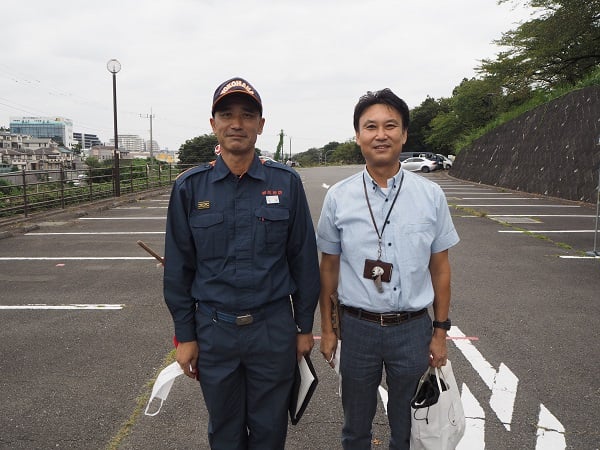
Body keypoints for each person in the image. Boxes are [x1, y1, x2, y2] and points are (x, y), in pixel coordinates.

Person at [163, 77, 320, 449]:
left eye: (248, 115)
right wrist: (185, 335)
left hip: (273, 329)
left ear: (260, 125)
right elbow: (178, 269)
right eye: (227, 114)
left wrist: (304, 328)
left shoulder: (286, 184)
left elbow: (304, 262)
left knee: (269, 432)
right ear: (213, 123)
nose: (237, 123)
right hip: (215, 332)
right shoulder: (190, 187)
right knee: (225, 431)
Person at [317, 88, 460, 449]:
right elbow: (328, 268)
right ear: (358, 135)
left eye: (390, 126)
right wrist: (328, 329)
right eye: (371, 126)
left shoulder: (431, 196)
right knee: (355, 429)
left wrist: (440, 332)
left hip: (412, 330)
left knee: (409, 428)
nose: (381, 134)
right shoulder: (338, 196)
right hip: (357, 329)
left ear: (404, 134)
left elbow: (440, 268)